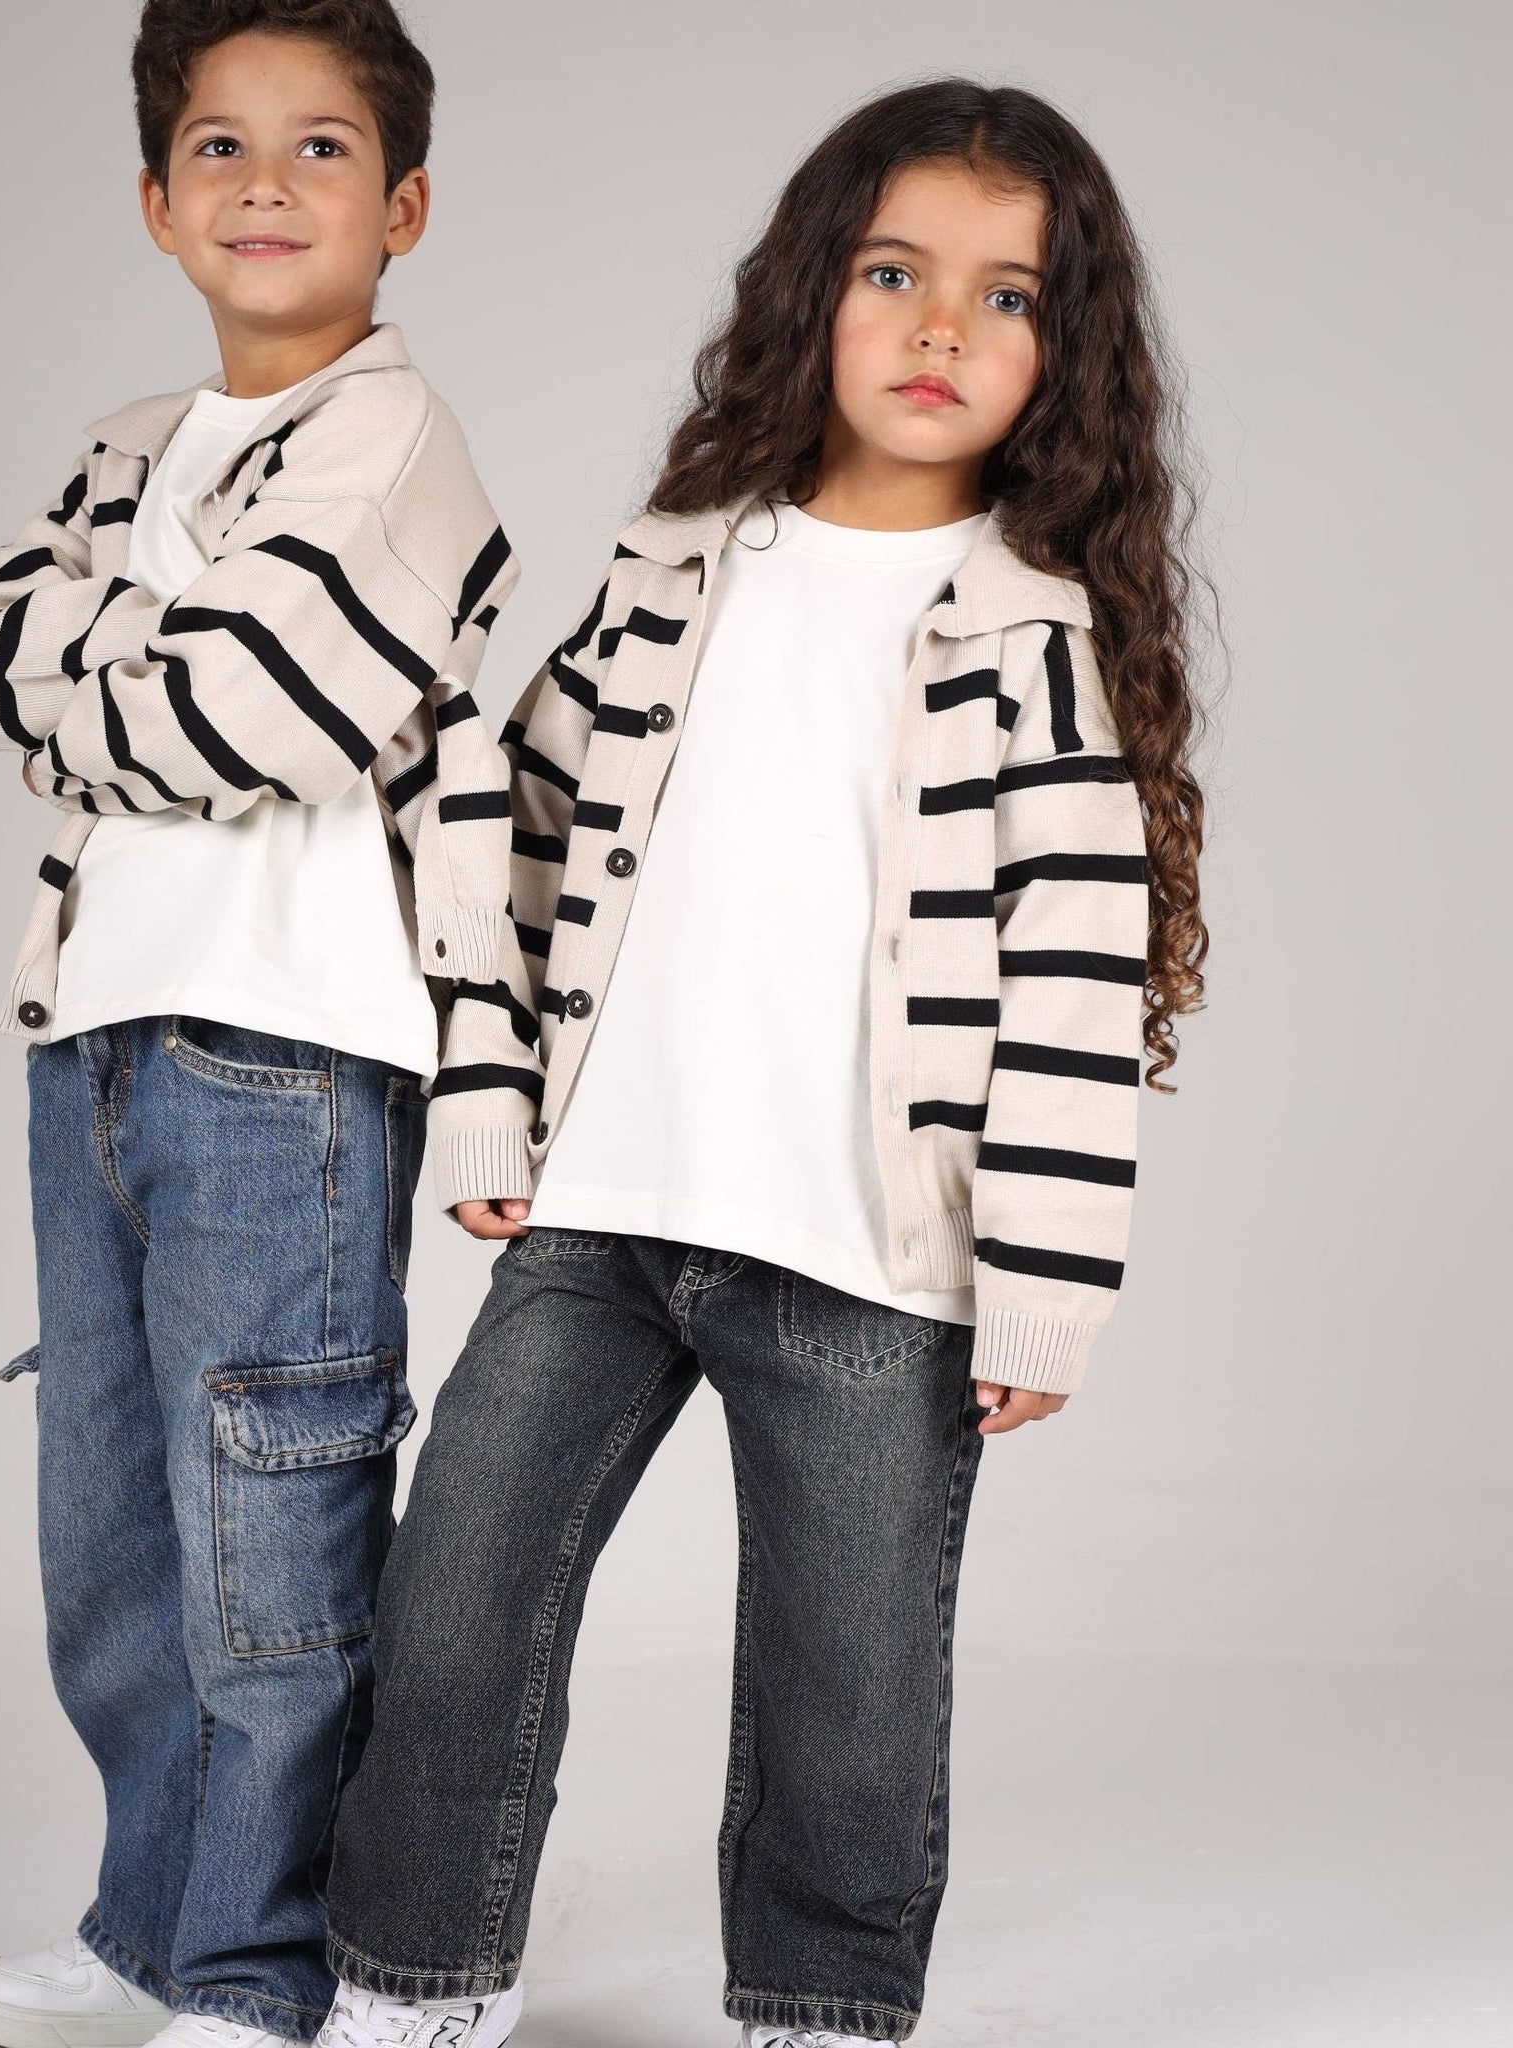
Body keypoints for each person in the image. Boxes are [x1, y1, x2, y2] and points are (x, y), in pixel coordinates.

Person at [314, 79, 1210, 2048]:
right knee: (453, 1617)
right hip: (598, 1216)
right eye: (892, 273)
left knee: (846, 1685)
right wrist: (490, 1103)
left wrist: (1040, 1295)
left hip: (875, 1272)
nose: (937, 327)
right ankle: (407, 1983)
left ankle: (813, 2009)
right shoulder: (674, 563)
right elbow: (518, 852)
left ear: (1063, 361)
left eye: (1005, 296)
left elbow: (1071, 985)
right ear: (812, 294)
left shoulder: (1038, 642)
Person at [0, 4, 520, 2043]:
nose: (267, 184)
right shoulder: (127, 446)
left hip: (287, 1052)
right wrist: (148, 656)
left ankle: (265, 1968)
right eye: (220, 148)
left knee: (271, 1530)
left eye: (323, 148)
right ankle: (152, 1919)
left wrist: (117, 661)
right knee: (110, 1535)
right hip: (91, 1034)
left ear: (405, 202)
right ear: (159, 203)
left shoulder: (395, 441)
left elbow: (246, 708)